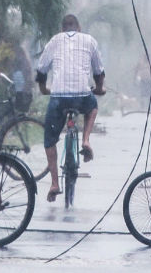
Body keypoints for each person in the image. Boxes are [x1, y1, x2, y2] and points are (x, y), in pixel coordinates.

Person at [34, 13, 106, 203]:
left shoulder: (54, 41)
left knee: (50, 140)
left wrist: (43, 89)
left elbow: (41, 69)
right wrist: (99, 89)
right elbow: (99, 72)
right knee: (93, 107)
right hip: (82, 95)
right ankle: (86, 140)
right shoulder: (89, 40)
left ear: (62, 29)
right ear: (79, 27)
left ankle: (55, 183)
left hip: (58, 97)